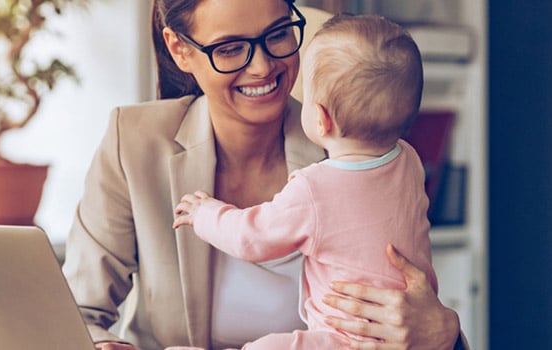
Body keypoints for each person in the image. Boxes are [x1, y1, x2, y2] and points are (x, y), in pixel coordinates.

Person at [61, 0, 467, 349]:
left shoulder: (356, 146)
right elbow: (75, 313)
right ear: (179, 49)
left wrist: (445, 333)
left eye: (277, 35)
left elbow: (411, 298)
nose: (262, 67)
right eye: (231, 48)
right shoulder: (132, 141)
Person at [171, 13, 436, 349]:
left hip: (345, 338)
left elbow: (251, 237)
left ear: (321, 118)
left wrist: (205, 212)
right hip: (403, 337)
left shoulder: (315, 188)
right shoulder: (409, 161)